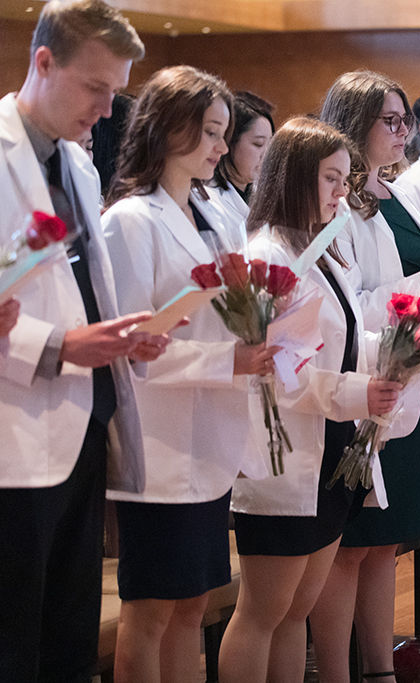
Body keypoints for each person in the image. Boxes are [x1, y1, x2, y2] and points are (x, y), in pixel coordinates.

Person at [0, 3, 172, 681]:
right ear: (44, 63)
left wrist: (126, 334)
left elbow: (81, 289)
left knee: (68, 634)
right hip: (15, 438)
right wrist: (61, 347)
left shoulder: (74, 162)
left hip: (83, 425)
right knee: (14, 637)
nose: (107, 108)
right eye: (96, 88)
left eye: (117, 90)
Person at [310, 70, 420, 683]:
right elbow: (347, 303)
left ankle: (380, 669)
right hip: (363, 382)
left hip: (406, 377)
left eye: (406, 119)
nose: (403, 131)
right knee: (350, 545)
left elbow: (412, 276)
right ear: (353, 125)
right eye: (390, 120)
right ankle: (340, 670)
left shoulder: (393, 193)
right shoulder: (334, 205)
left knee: (386, 541)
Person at [102, 65, 274, 683]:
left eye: (225, 133)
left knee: (193, 606)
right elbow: (126, 348)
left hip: (211, 438)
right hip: (159, 443)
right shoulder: (130, 219)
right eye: (209, 131)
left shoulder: (215, 214)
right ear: (169, 128)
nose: (222, 148)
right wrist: (226, 359)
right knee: (149, 611)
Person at [216, 117, 403, 683]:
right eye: (330, 179)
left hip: (334, 449)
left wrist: (402, 348)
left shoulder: (322, 249)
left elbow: (341, 340)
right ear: (294, 178)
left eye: (345, 180)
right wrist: (357, 391)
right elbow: (278, 371)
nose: (341, 193)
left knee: (297, 610)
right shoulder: (267, 256)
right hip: (284, 455)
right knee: (261, 614)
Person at [208, 91, 275, 230]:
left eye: (270, 146)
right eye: (258, 144)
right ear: (230, 141)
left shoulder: (264, 197)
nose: (266, 154)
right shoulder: (210, 200)